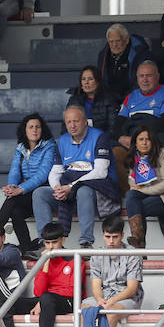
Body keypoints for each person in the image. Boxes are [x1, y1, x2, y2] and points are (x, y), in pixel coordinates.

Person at [33, 106, 118, 248]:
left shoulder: (99, 137)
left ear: (85, 121)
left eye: (76, 121)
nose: (72, 125)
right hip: (68, 190)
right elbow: (55, 171)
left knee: (83, 190)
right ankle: (45, 241)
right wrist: (57, 189)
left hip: (96, 192)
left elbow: (100, 172)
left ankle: (86, 242)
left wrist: (71, 187)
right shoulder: (63, 140)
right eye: (69, 122)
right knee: (39, 193)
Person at [0, 113, 57, 256]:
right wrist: (12, 186)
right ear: (24, 130)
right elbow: (14, 171)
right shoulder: (21, 148)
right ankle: (26, 248)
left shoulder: (49, 146)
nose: (34, 130)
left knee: (12, 200)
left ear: (42, 130)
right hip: (27, 194)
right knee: (15, 211)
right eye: (31, 127)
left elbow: (42, 175)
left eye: (38, 127)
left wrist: (20, 189)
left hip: (43, 193)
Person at [124, 126, 164, 248]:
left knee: (137, 207)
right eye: (140, 139)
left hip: (162, 196)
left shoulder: (163, 154)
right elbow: (132, 183)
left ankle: (139, 244)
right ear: (135, 143)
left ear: (153, 141)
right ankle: (138, 238)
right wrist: (139, 189)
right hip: (146, 196)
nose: (144, 142)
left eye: (147, 139)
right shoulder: (135, 157)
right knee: (130, 195)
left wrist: (144, 190)